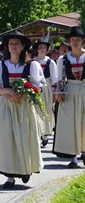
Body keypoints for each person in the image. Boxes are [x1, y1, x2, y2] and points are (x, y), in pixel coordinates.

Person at [0, 30, 44, 188]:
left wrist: (26, 91)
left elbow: (38, 87)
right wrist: (8, 91)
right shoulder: (1, 65)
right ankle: (10, 176)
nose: (13, 46)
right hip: (6, 106)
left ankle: (25, 169)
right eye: (11, 43)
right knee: (7, 139)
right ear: (7, 46)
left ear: (23, 47)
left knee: (25, 137)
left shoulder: (31, 65)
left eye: (17, 44)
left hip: (24, 107)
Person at [53, 26, 85, 168]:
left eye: (77, 39)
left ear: (82, 41)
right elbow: (59, 78)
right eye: (72, 40)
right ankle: (73, 157)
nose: (75, 42)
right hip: (70, 90)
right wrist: (58, 92)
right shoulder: (63, 58)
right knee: (70, 123)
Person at [33, 39, 58, 147]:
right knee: (35, 109)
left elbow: (54, 78)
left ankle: (46, 133)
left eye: (44, 48)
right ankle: (37, 131)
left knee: (46, 109)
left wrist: (54, 93)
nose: (42, 49)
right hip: (35, 87)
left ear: (47, 50)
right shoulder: (33, 61)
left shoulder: (50, 62)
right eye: (40, 47)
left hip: (46, 87)